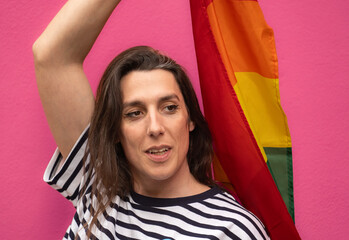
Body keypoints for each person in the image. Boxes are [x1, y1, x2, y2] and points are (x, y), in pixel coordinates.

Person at [33, 0, 270, 239]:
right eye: (134, 113)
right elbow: (51, 56)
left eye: (169, 108)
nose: (155, 128)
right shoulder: (98, 190)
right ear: (115, 130)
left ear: (190, 120)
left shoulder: (233, 229)